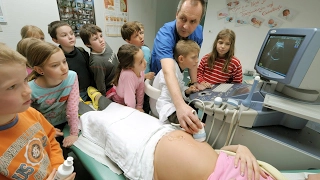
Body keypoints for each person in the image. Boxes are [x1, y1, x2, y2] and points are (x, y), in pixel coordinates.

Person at [78, 99, 282, 180]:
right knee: (126, 112)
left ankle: (81, 106)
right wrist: (242, 148)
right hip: (163, 131)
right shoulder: (271, 176)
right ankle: (102, 100)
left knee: (102, 124)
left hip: (146, 154)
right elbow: (219, 154)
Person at [0, 43, 75, 180]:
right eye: (12, 87)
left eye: (25, 80)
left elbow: (51, 141)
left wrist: (58, 169)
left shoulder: (31, 113)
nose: (28, 90)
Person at [151, 0, 206, 134]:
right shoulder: (165, 34)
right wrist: (180, 105)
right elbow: (168, 71)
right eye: (182, 18)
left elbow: (193, 59)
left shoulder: (198, 32)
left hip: (176, 77)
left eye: (193, 21)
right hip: (162, 78)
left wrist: (194, 83)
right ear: (176, 14)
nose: (186, 26)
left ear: (199, 21)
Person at [26, 40, 80, 150]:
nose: (64, 68)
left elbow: (72, 108)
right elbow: (27, 117)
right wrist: (45, 130)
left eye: (64, 61)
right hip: (43, 127)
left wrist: (74, 133)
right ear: (40, 70)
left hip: (66, 122)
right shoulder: (29, 89)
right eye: (55, 65)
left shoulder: (72, 76)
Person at [153, 40, 199, 123]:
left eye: (197, 57)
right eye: (193, 57)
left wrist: (187, 91)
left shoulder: (178, 69)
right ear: (181, 59)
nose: (197, 60)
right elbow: (163, 103)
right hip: (161, 109)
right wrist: (179, 120)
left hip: (170, 104)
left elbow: (178, 88)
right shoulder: (171, 72)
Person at [48, 20, 95, 101]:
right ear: (55, 40)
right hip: (72, 96)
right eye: (64, 35)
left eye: (71, 33)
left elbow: (90, 72)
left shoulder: (82, 51)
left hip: (90, 91)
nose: (70, 37)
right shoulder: (56, 59)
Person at [79, 23, 119, 101]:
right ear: (88, 44)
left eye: (101, 36)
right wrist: (104, 101)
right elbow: (101, 85)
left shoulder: (105, 45)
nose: (101, 40)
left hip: (120, 80)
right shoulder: (96, 62)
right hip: (112, 90)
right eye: (95, 39)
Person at [109, 44, 146, 112]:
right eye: (141, 62)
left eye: (144, 58)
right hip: (119, 102)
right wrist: (134, 112)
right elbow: (130, 99)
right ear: (130, 67)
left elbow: (140, 90)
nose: (145, 62)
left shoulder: (140, 70)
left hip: (129, 97)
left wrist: (139, 106)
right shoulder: (128, 75)